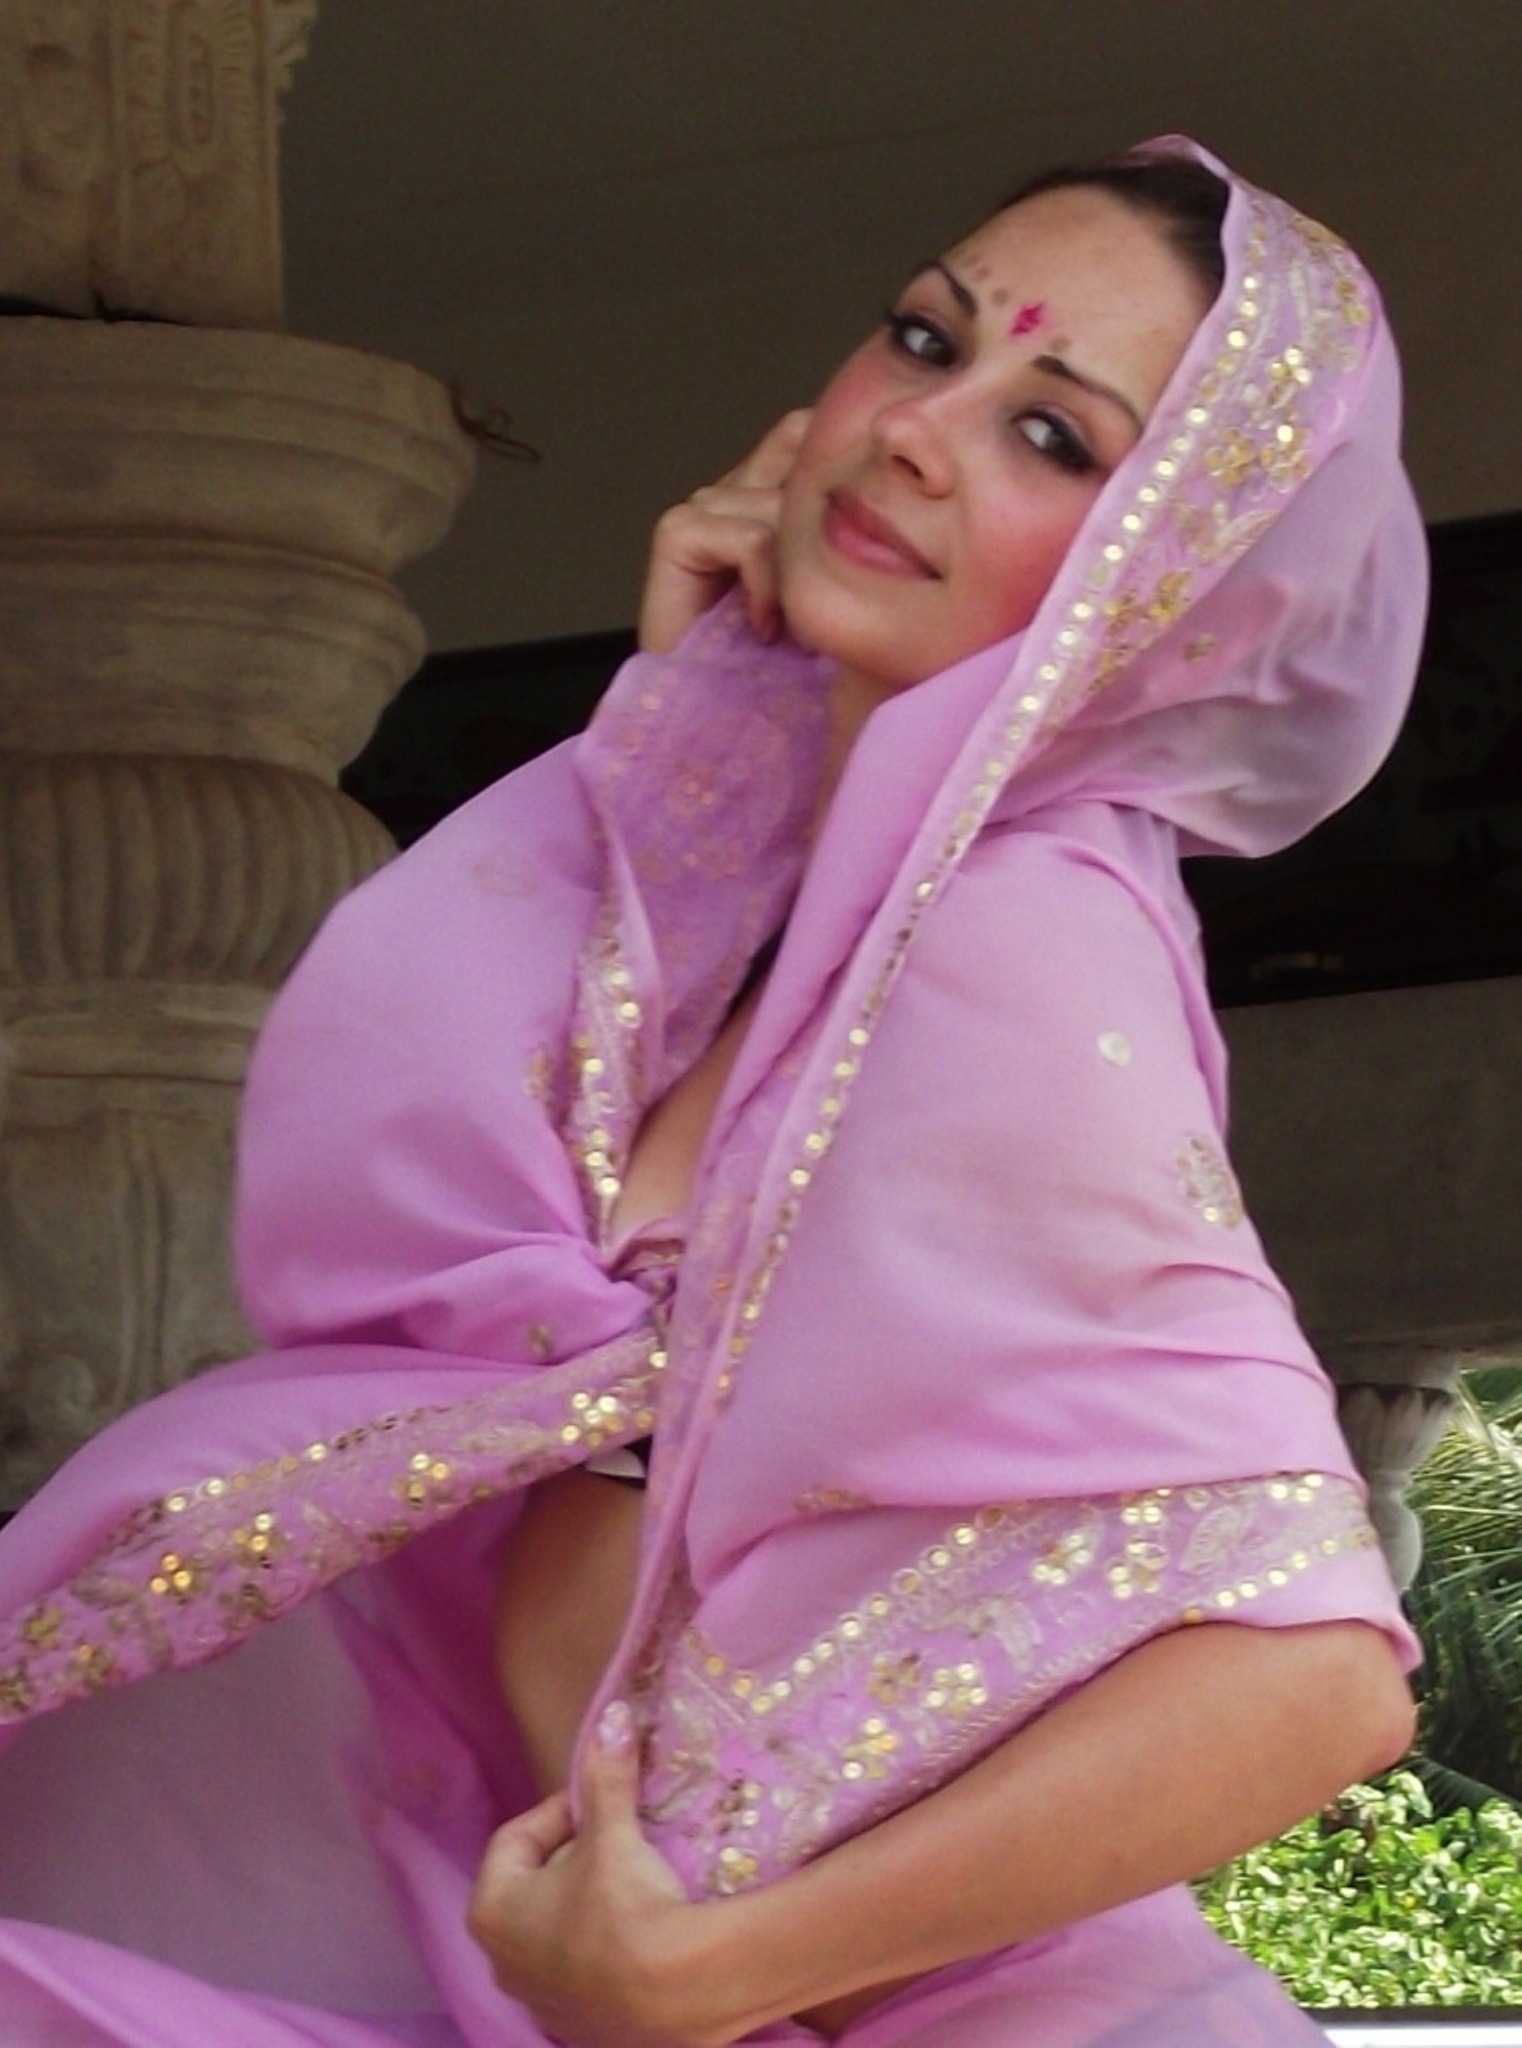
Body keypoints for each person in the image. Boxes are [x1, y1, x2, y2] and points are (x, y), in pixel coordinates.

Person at [0, 135, 1427, 2047]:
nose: (917, 432)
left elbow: (1318, 1678)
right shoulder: (800, 907)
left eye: (1053, 437)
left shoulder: (1015, 934)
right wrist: (705, 721)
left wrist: (718, 1972)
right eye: (925, 340)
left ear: (1177, 591)